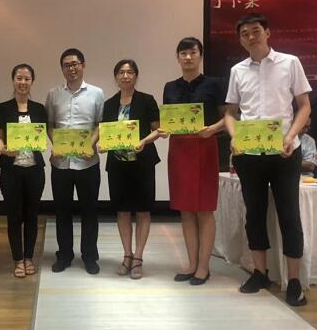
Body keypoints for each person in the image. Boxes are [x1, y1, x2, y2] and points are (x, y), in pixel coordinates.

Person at [225, 13, 311, 306]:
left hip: (285, 151)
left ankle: (294, 280)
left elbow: (304, 106)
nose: (251, 37)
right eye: (245, 33)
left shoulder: (290, 63)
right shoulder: (237, 71)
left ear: (267, 33)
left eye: (256, 31)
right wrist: (234, 136)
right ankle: (260, 272)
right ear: (240, 39)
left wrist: (291, 135)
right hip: (249, 153)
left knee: (289, 214)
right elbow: (230, 112)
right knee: (254, 213)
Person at [163, 38, 226, 285]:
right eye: (183, 53)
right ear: (177, 58)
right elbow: (167, 120)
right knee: (186, 209)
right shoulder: (170, 87)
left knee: (204, 209)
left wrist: (213, 129)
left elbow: (229, 117)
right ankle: (191, 264)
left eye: (192, 52)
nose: (188, 57)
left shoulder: (214, 84)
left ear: (200, 55)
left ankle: (203, 266)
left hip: (205, 147)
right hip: (179, 149)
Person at [100, 59, 161, 280]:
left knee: (143, 210)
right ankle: (127, 255)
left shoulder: (147, 100)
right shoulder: (109, 104)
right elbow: (106, 133)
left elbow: (158, 130)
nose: (125, 76)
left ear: (136, 76)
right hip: (118, 165)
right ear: (116, 77)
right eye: (121, 72)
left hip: (142, 163)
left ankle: (138, 258)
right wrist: (102, 145)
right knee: (123, 211)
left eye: (130, 72)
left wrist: (144, 140)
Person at [46, 48, 104, 274]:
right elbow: (50, 125)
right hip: (61, 163)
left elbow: (100, 124)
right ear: (62, 69)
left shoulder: (97, 93)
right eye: (67, 65)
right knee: (62, 211)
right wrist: (57, 145)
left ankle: (89, 256)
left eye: (75, 64)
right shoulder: (53, 94)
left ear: (83, 66)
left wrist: (91, 144)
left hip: (88, 162)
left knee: (90, 211)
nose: (71, 68)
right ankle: (64, 255)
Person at [0, 64, 48, 278]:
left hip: (35, 170)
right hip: (11, 169)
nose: (23, 82)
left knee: (32, 215)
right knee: (14, 216)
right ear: (13, 80)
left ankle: (29, 258)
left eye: (27, 79)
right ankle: (17, 259)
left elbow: (43, 136)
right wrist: (2, 148)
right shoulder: (3, 107)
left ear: (32, 81)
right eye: (19, 78)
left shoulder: (39, 108)